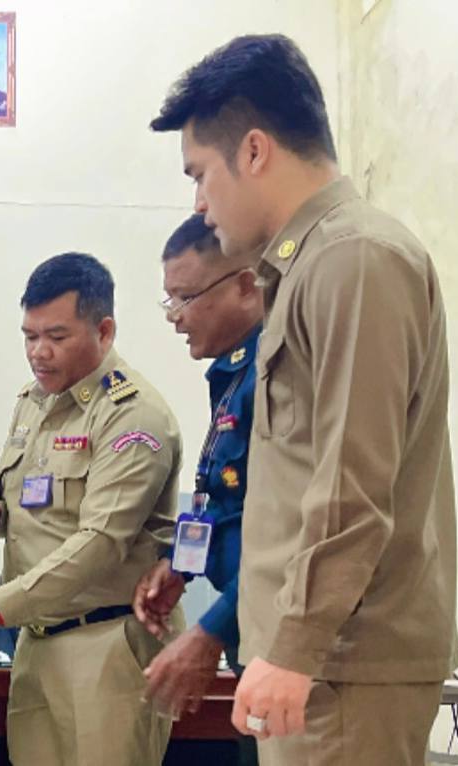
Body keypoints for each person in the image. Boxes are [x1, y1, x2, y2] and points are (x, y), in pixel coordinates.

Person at [151, 34, 458, 765]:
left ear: (255, 151)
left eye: (201, 174)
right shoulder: (306, 267)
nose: (199, 203)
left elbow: (353, 484)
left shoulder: (353, 259)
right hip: (316, 659)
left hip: (341, 663)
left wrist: (294, 648)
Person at [0, 253, 182, 765]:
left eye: (56, 336)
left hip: (106, 645)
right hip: (35, 642)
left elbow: (100, 543)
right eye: (29, 336)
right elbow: (35, 500)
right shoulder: (35, 400)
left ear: (104, 330)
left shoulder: (133, 417)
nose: (38, 352)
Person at [133, 213, 263, 763]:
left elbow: (291, 534)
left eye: (185, 298)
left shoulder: (276, 372)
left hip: (293, 640)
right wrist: (180, 565)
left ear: (246, 284)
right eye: (169, 301)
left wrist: (210, 630)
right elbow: (222, 498)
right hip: (252, 634)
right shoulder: (234, 373)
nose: (175, 318)